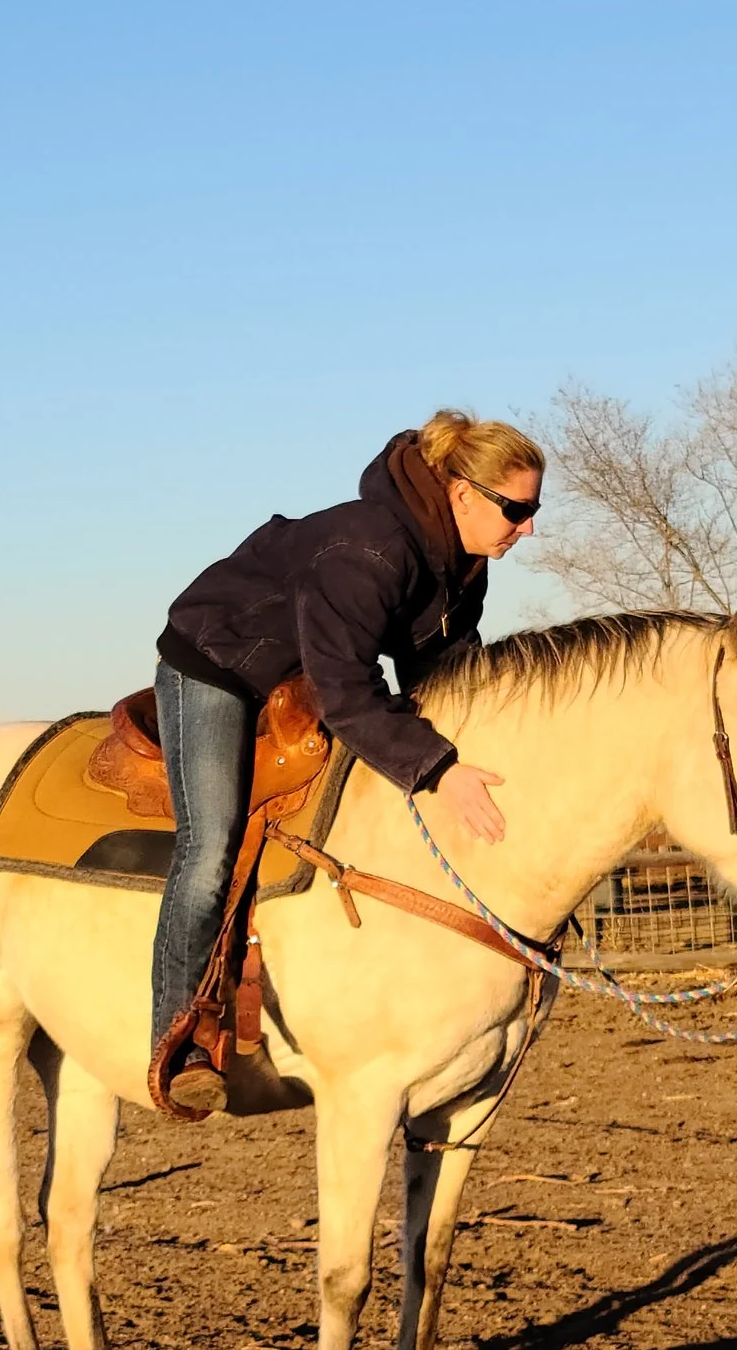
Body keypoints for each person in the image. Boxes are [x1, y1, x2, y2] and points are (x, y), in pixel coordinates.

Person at [149, 409, 544, 1114]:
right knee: (210, 845)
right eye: (517, 508)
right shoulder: (370, 549)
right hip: (220, 663)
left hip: (307, 669)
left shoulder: (465, 566)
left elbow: (445, 676)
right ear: (462, 495)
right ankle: (179, 1036)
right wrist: (437, 768)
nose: (530, 525)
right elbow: (346, 692)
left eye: (534, 507)